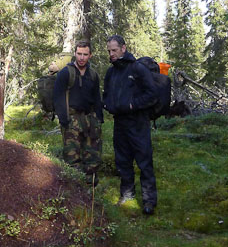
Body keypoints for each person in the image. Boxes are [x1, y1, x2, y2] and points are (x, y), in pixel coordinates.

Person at [102, 35, 158, 215]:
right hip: (120, 122)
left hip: (138, 122)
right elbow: (107, 94)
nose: (111, 54)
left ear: (123, 48)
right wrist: (107, 104)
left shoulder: (138, 69)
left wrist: (133, 104)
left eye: (114, 50)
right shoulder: (111, 72)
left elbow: (152, 94)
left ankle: (149, 201)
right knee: (122, 161)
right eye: (109, 51)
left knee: (144, 161)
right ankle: (127, 196)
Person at [53, 40, 103, 185]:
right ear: (75, 54)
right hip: (71, 119)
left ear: (90, 55)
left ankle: (92, 189)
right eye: (79, 54)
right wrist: (64, 120)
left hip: (90, 119)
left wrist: (99, 118)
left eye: (85, 54)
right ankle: (75, 190)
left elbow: (97, 98)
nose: (81, 58)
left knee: (93, 155)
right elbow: (58, 97)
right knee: (72, 157)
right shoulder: (65, 73)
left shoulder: (93, 75)